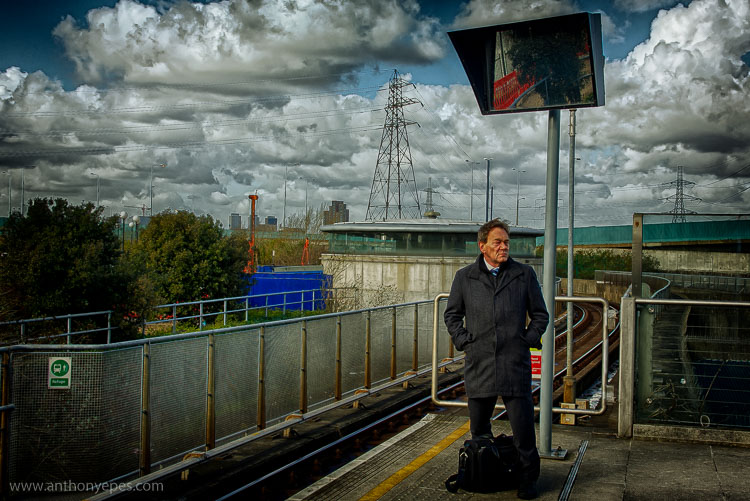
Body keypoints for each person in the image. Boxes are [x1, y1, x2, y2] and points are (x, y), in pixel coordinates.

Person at [444, 218, 548, 500]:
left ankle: (527, 480)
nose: (504, 247)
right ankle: (483, 473)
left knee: (523, 429)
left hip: (514, 362)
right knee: (479, 429)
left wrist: (526, 339)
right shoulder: (465, 277)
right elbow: (452, 315)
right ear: (483, 246)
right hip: (480, 363)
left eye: (506, 242)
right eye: (497, 242)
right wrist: (465, 341)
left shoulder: (523, 274)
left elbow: (541, 314)